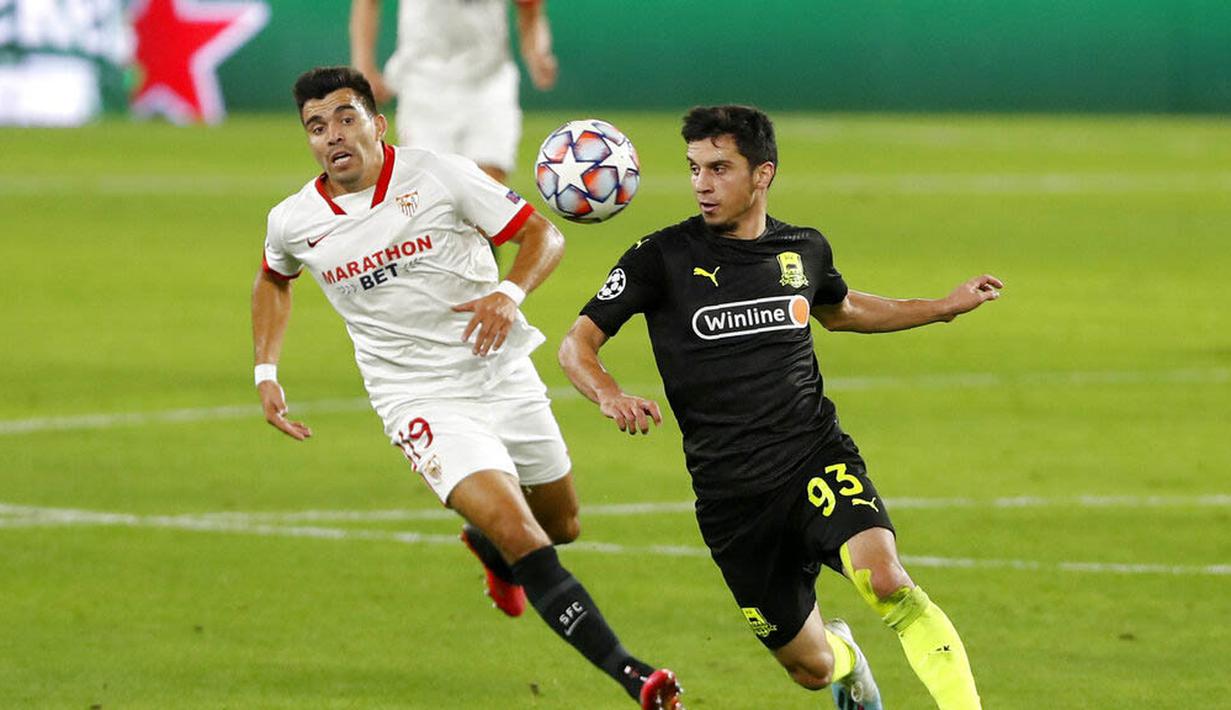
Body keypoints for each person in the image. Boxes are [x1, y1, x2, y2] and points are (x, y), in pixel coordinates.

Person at [250, 66, 682, 710]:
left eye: (345, 118)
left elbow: (543, 234)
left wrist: (509, 294)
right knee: (525, 535)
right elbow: (273, 278)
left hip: (502, 372)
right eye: (317, 127)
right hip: (419, 400)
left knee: (561, 523)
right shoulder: (294, 221)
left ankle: (487, 548)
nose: (332, 136)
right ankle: (634, 676)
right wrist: (267, 370)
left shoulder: (440, 175)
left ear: (377, 122)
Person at [559, 105, 998, 709]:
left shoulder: (804, 249)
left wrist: (943, 306)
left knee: (887, 580)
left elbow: (844, 311)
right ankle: (851, 662)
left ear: (762, 174)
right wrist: (608, 392)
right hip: (733, 499)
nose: (702, 184)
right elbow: (576, 343)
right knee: (813, 668)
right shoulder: (660, 257)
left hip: (813, 456)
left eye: (719, 168)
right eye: (693, 169)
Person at [349, 0, 557, 185]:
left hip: (488, 81)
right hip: (424, 84)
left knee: (488, 189)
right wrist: (364, 66)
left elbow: (531, 10)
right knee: (432, 190)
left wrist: (537, 52)